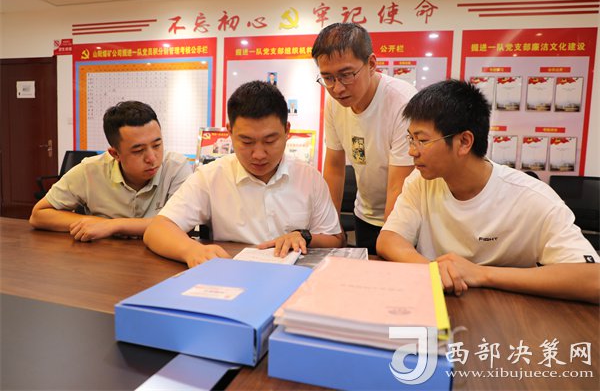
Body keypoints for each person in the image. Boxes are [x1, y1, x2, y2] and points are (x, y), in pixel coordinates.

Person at [377, 79, 599, 303]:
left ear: (464, 142)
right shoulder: (420, 182)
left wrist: (480, 274)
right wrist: (435, 271)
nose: (412, 151)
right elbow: (389, 239)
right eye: (411, 139)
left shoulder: (532, 197)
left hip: (510, 314)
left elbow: (593, 279)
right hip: (439, 307)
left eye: (422, 140)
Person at [144, 81, 344, 268]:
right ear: (230, 132)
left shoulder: (309, 178)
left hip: (295, 278)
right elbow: (157, 229)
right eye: (247, 142)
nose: (258, 154)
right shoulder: (210, 177)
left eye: (270, 141)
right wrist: (191, 250)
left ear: (286, 131)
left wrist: (303, 236)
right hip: (233, 273)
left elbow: (336, 239)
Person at [312, 22, 417, 255]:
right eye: (328, 78)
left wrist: (389, 241)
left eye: (346, 75)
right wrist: (331, 227)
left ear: (371, 64)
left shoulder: (401, 102)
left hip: (405, 218)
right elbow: (334, 167)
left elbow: (398, 185)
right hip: (364, 214)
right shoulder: (334, 104)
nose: (337, 88)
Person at [29, 101, 192, 242]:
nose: (152, 158)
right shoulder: (90, 170)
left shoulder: (176, 168)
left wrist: (113, 225)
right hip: (104, 259)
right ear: (115, 154)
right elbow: (38, 215)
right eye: (138, 150)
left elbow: (180, 223)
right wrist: (95, 223)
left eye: (157, 145)